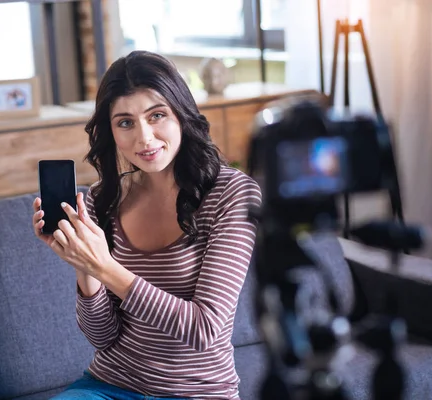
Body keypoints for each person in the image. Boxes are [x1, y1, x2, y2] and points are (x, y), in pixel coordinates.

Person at [32, 50, 261, 399]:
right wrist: (84, 267)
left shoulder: (232, 194)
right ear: (111, 132)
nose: (144, 138)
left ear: (181, 114)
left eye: (157, 116)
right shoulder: (102, 200)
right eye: (125, 122)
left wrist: (104, 266)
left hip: (196, 392)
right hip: (109, 385)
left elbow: (205, 329)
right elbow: (102, 337)